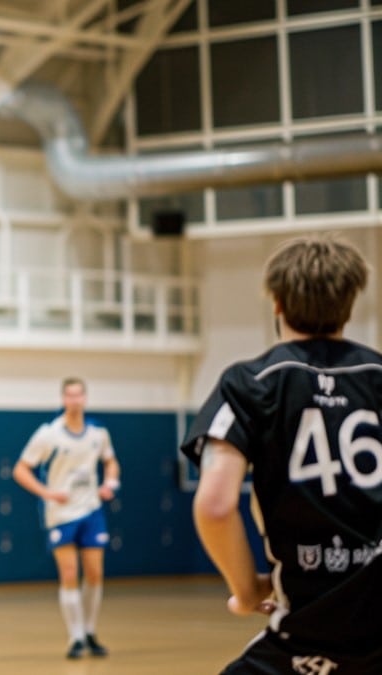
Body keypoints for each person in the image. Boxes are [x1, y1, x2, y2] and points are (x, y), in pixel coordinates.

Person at [182, 235, 382, 674]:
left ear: (276, 303)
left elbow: (215, 506)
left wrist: (248, 590)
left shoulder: (251, 383)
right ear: (350, 305)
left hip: (314, 628)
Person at [12, 377, 120, 660]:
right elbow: (21, 469)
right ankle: (74, 637)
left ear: (85, 398)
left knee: (95, 574)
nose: (74, 400)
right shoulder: (49, 434)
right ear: (63, 399)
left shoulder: (98, 433)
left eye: (79, 395)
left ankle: (89, 631)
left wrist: (111, 482)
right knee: (70, 573)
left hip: (91, 509)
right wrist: (47, 493)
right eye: (69, 396)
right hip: (61, 513)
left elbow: (110, 460)